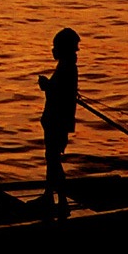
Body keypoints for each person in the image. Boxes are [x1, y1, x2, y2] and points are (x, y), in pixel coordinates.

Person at [37, 28, 80, 208]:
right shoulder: (66, 66)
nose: (53, 50)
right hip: (56, 120)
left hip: (57, 121)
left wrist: (46, 85)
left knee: (53, 158)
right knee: (51, 157)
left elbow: (59, 94)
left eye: (56, 47)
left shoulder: (67, 68)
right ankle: (50, 194)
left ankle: (60, 198)